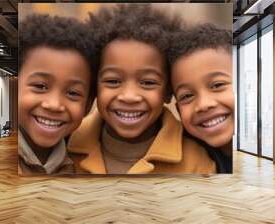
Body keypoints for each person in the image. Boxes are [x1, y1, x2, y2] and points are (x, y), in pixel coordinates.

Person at [67, 4, 216, 174]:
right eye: (113, 81)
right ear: (95, 87)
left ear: (168, 91)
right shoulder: (65, 144)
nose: (129, 96)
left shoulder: (196, 161)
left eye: (148, 82)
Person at [18, 14, 97, 175]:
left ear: (87, 105)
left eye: (73, 93)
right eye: (40, 86)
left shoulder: (82, 165)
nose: (54, 104)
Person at [168, 23, 234, 173]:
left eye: (217, 85)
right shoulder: (187, 159)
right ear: (178, 110)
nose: (204, 104)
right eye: (187, 96)